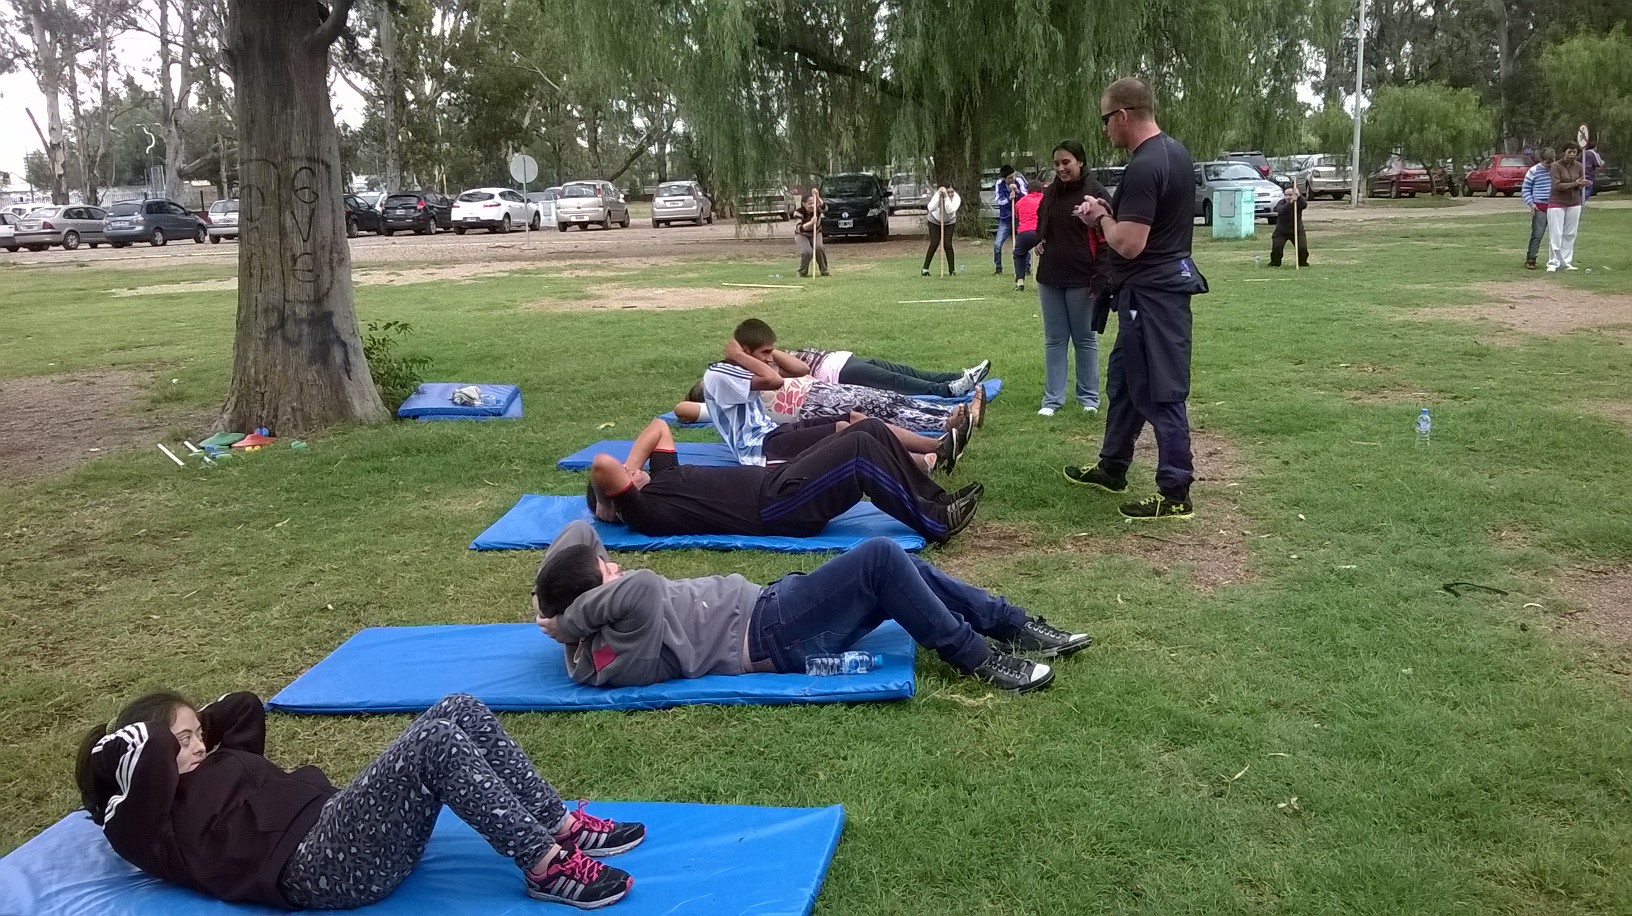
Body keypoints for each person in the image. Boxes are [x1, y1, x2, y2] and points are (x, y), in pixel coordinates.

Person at [76, 691, 641, 910]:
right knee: (436, 741)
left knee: (458, 709)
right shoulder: (152, 828)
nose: (199, 744)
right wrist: (137, 736)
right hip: (317, 869)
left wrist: (192, 724)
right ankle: (544, 867)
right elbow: (145, 755)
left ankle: (560, 826)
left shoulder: (220, 761)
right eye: (182, 742)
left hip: (341, 830)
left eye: (198, 732)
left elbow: (245, 707)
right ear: (140, 765)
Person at [534, 523, 1090, 694]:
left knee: (905, 571)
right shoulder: (614, 647)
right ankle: (978, 659)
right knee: (879, 558)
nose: (618, 568)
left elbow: (579, 534)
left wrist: (550, 599)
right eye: (607, 575)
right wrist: (565, 620)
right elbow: (645, 585)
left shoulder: (602, 616)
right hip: (776, 634)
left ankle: (1013, 624)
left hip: (776, 612)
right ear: (592, 605)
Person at [1064, 76, 1208, 520]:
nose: (1105, 129)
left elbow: (1128, 243)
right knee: (1125, 382)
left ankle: (1174, 491)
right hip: (1146, 291)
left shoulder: (1145, 165)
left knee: (1160, 389)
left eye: (1106, 120)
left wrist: (1100, 218)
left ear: (1123, 115)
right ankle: (1113, 466)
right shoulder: (1176, 153)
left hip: (1152, 294)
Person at [586, 416, 977, 543]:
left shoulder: (660, 480)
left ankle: (936, 501)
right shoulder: (645, 513)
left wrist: (636, 467)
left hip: (781, 483)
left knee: (869, 429)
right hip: (777, 507)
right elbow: (602, 463)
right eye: (624, 475)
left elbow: (659, 428)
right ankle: (934, 524)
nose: (631, 469)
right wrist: (611, 499)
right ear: (615, 496)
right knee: (858, 449)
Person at [703, 319, 958, 466]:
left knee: (856, 418)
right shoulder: (720, 373)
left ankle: (938, 446)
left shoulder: (747, 366)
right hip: (759, 449)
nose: (770, 359)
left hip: (773, 432)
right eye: (765, 353)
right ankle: (919, 462)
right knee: (846, 433)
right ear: (745, 351)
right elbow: (774, 381)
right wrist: (738, 355)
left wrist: (766, 351)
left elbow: (800, 369)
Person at [1034, 139, 1112, 417]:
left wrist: (1101, 277)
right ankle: (1052, 399)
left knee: (1084, 339)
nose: (1061, 168)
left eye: (1066, 162)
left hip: (1083, 278)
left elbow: (1107, 239)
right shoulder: (1051, 192)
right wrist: (1040, 240)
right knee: (1054, 339)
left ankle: (1088, 397)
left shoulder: (1096, 193)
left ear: (1080, 161)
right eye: (1056, 163)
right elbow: (1044, 222)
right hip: (1050, 275)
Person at [677, 372, 984, 435]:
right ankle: (946, 422)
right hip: (811, 408)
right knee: (881, 411)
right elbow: (683, 410)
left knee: (888, 398)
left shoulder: (754, 379)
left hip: (821, 388)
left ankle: (954, 413)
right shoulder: (726, 409)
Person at [792, 346, 991, 398]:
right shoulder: (772, 366)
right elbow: (802, 372)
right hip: (838, 374)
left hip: (844, 359)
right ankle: (949, 390)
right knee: (897, 381)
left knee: (906, 371)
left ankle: (959, 376)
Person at [1546, 144, 1587, 272]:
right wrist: (1575, 183)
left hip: (1574, 202)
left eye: (1574, 152)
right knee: (1556, 233)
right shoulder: (1555, 166)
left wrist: (1581, 184)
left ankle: (1566, 261)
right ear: (1564, 152)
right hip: (1557, 203)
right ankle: (1553, 262)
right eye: (1569, 152)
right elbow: (1556, 186)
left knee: (1570, 233)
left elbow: (1579, 183)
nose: (1572, 155)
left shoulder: (1579, 166)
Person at [1520, 147, 1554, 270]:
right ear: (1542, 160)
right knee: (1537, 234)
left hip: (1554, 205)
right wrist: (1531, 203)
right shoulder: (1533, 171)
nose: (1550, 165)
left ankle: (1555, 259)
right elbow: (1526, 189)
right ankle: (1531, 258)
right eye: (1547, 162)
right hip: (1539, 205)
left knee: (1556, 234)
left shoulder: (1555, 170)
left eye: (1552, 162)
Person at [992, 165, 1029, 274]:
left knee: (1024, 242)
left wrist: (1017, 191)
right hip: (1006, 219)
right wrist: (1009, 198)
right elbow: (999, 200)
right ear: (1004, 178)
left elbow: (1026, 195)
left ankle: (1026, 267)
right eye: (1009, 178)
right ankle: (998, 268)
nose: (1012, 179)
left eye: (1013, 176)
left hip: (1019, 217)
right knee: (997, 244)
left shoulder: (1019, 181)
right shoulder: (999, 184)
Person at [921, 182, 961, 276]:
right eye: (948, 192)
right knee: (934, 243)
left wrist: (946, 197)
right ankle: (925, 269)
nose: (951, 194)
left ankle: (952, 270)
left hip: (949, 221)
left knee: (947, 244)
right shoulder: (937, 195)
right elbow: (930, 208)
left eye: (952, 192)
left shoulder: (956, 198)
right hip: (934, 220)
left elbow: (949, 210)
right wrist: (939, 196)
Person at [1012, 179, 1044, 292]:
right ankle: (1045, 282)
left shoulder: (1020, 202)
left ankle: (1020, 281)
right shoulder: (1045, 200)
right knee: (1047, 255)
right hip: (1040, 232)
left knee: (1019, 255)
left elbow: (1018, 216)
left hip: (1024, 232)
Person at [1267, 185, 1308, 267]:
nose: (1288, 197)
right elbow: (1281, 211)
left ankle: (1302, 263)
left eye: (1291, 195)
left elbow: (1304, 205)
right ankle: (1275, 263)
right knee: (1277, 248)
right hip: (1281, 232)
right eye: (1286, 195)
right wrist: (1290, 203)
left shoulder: (1298, 203)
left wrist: (1299, 196)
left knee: (1302, 248)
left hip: (1297, 230)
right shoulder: (1280, 203)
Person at [793, 189, 828, 277]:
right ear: (804, 204)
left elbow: (825, 208)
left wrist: (817, 196)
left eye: (814, 203)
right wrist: (811, 223)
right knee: (807, 252)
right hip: (802, 235)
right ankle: (802, 272)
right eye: (809, 204)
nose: (812, 206)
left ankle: (824, 271)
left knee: (819, 247)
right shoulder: (798, 212)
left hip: (816, 232)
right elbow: (799, 228)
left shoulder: (818, 209)